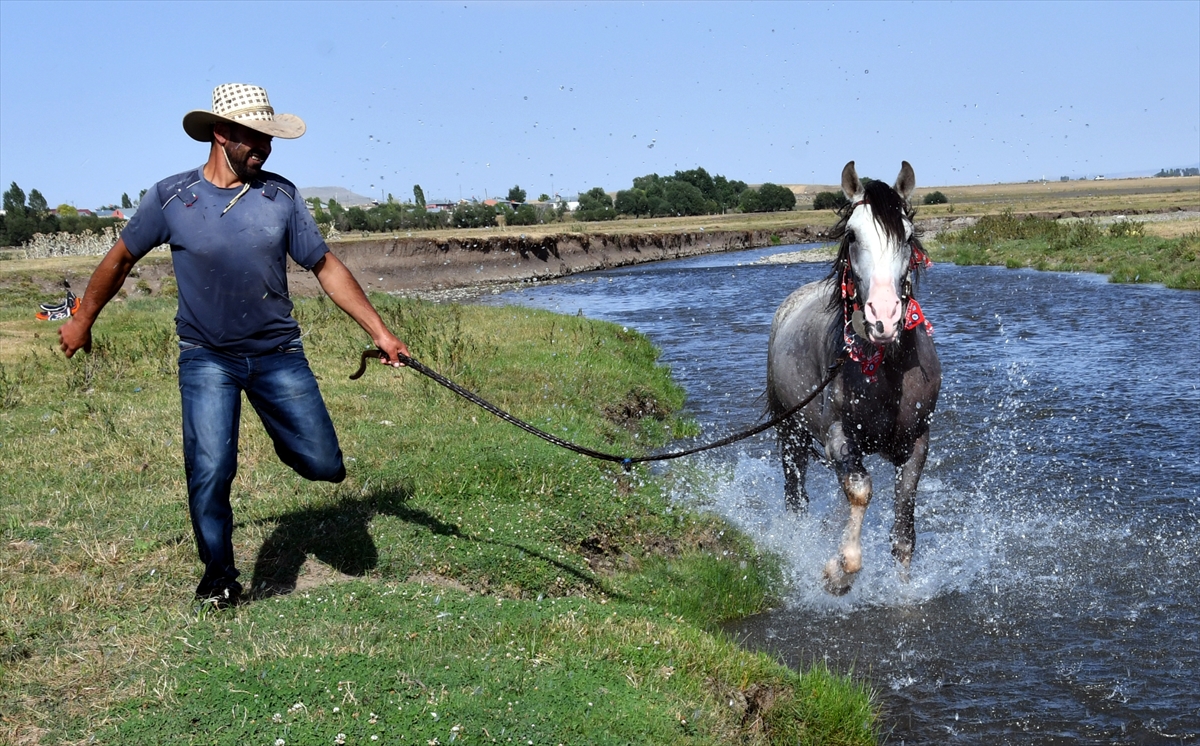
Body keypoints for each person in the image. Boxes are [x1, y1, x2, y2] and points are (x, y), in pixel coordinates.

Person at [59, 83, 409, 608]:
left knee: (323, 464)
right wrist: (83, 319)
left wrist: (379, 332)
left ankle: (281, 430)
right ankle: (218, 577)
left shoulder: (281, 197)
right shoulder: (172, 197)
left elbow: (325, 266)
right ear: (221, 134)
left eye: (270, 140)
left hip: (277, 356)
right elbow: (120, 259)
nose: (264, 150)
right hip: (207, 357)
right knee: (210, 467)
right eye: (254, 139)